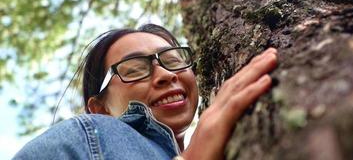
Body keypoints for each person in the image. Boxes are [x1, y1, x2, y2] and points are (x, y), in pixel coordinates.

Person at [13, 24, 278, 160]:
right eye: (134, 68)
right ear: (99, 108)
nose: (166, 74)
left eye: (173, 60)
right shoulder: (88, 133)